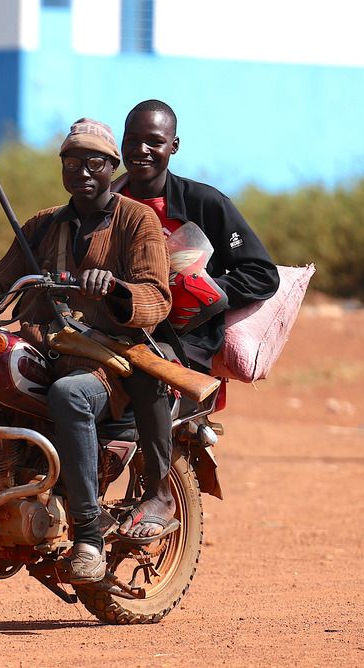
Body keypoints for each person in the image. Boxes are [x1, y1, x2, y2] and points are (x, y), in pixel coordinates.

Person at [0, 118, 170, 583]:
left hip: (106, 362)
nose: (81, 171)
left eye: (93, 163)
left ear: (112, 167)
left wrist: (116, 288)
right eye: (72, 162)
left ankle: (88, 535)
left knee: (70, 394)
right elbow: (0, 278)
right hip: (42, 349)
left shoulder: (136, 220)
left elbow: (156, 296)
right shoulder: (43, 223)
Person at [114, 99, 279, 541]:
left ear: (174, 146)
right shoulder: (106, 201)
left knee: (148, 371)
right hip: (113, 329)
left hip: (182, 339)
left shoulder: (204, 203)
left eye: (154, 142)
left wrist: (205, 289)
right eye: (133, 140)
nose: (142, 150)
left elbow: (261, 274)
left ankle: (159, 494)